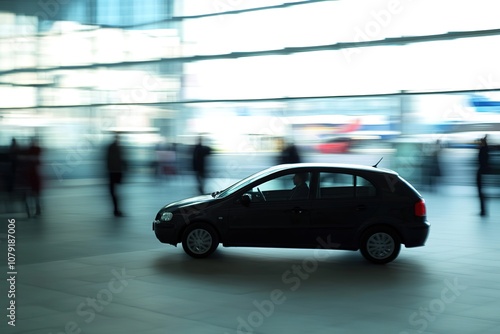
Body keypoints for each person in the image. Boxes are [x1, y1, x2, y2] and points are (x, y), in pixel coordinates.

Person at [106, 134, 126, 217]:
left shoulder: (111, 147)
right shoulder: (119, 148)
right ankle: (116, 209)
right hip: (116, 172)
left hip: (112, 172)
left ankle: (116, 209)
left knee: (113, 191)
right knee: (116, 192)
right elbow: (121, 160)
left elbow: (108, 159)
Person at [26, 137, 42, 216]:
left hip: (32, 177)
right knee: (36, 194)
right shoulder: (37, 153)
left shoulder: (30, 153)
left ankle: (35, 209)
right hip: (35, 177)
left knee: (33, 194)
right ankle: (37, 208)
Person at [476, 135, 489, 216]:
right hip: (482, 172)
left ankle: (483, 210)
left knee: (481, 192)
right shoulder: (486, 150)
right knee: (482, 192)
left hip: (481, 173)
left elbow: (480, 160)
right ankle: (483, 210)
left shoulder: (483, 150)